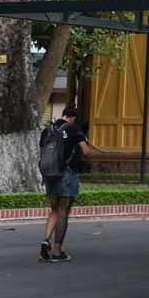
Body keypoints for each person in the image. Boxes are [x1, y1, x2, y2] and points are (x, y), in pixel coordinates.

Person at [39, 104, 88, 263]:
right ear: (74, 118)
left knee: (54, 209)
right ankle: (57, 252)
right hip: (66, 174)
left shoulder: (48, 130)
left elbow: (42, 153)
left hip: (49, 174)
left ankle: (46, 240)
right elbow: (85, 151)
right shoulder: (74, 130)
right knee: (63, 211)